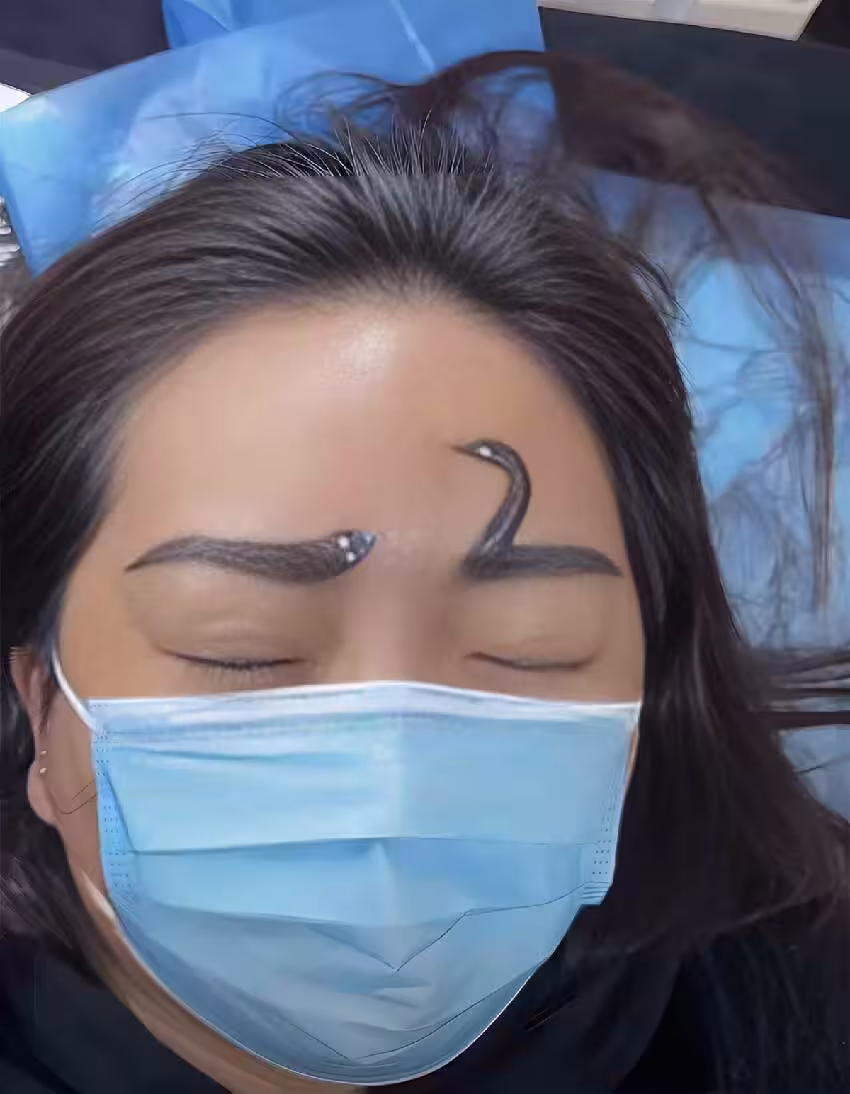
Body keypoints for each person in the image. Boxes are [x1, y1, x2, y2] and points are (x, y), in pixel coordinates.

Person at [1, 51, 849, 1094]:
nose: (394, 778)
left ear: (647, 698)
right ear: (40, 699)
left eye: (531, 649)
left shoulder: (787, 1005)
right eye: (245, 648)